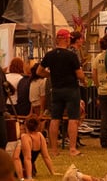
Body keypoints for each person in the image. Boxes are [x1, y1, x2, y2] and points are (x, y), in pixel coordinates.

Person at [40, 28, 85, 156]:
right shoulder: (71, 56)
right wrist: (83, 79)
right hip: (71, 89)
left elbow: (39, 71)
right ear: (66, 39)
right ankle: (72, 149)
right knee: (73, 119)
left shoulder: (50, 55)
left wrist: (50, 75)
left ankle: (54, 150)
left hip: (56, 89)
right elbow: (79, 74)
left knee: (55, 118)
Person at [12, 115, 55, 180]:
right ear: (38, 126)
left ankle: (23, 176)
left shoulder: (25, 137)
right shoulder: (40, 136)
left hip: (19, 170)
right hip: (31, 170)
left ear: (26, 125)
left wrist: (29, 177)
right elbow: (46, 157)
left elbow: (27, 158)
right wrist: (52, 172)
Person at [92, 32, 107, 149]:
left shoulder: (98, 58)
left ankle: (103, 141)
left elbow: (94, 75)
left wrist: (98, 86)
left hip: (102, 90)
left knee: (104, 117)